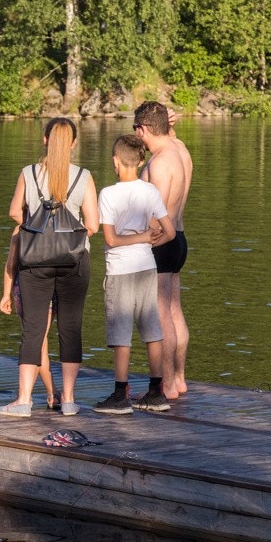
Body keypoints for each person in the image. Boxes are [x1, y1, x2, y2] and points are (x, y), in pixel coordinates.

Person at [0, 118, 99, 417]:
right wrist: (65, 234)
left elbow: (15, 212)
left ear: (44, 140)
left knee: (33, 328)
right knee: (70, 327)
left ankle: (24, 401)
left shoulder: (29, 173)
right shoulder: (83, 176)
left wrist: (39, 229)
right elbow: (92, 225)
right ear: (74, 143)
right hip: (74, 260)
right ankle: (68, 399)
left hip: (34, 260)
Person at [95, 133, 175, 414]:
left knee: (121, 333)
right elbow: (170, 232)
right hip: (146, 266)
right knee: (152, 329)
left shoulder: (108, 194)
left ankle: (120, 395)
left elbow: (112, 240)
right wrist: (149, 241)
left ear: (116, 161)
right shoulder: (150, 191)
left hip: (120, 269)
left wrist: (139, 237)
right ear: (140, 160)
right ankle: (156, 393)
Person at [135, 101, 193, 400]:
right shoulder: (180, 149)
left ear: (144, 129)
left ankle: (166, 384)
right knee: (174, 310)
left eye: (138, 131)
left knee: (161, 316)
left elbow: (155, 214)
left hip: (161, 242)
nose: (138, 137)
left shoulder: (158, 162)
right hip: (179, 240)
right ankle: (179, 380)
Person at [0, 229, 59, 409]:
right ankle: (51, 394)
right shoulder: (57, 223)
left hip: (26, 287)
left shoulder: (22, 228)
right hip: (51, 287)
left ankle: (27, 395)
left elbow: (11, 264)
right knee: (41, 340)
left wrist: (5, 294)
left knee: (36, 340)